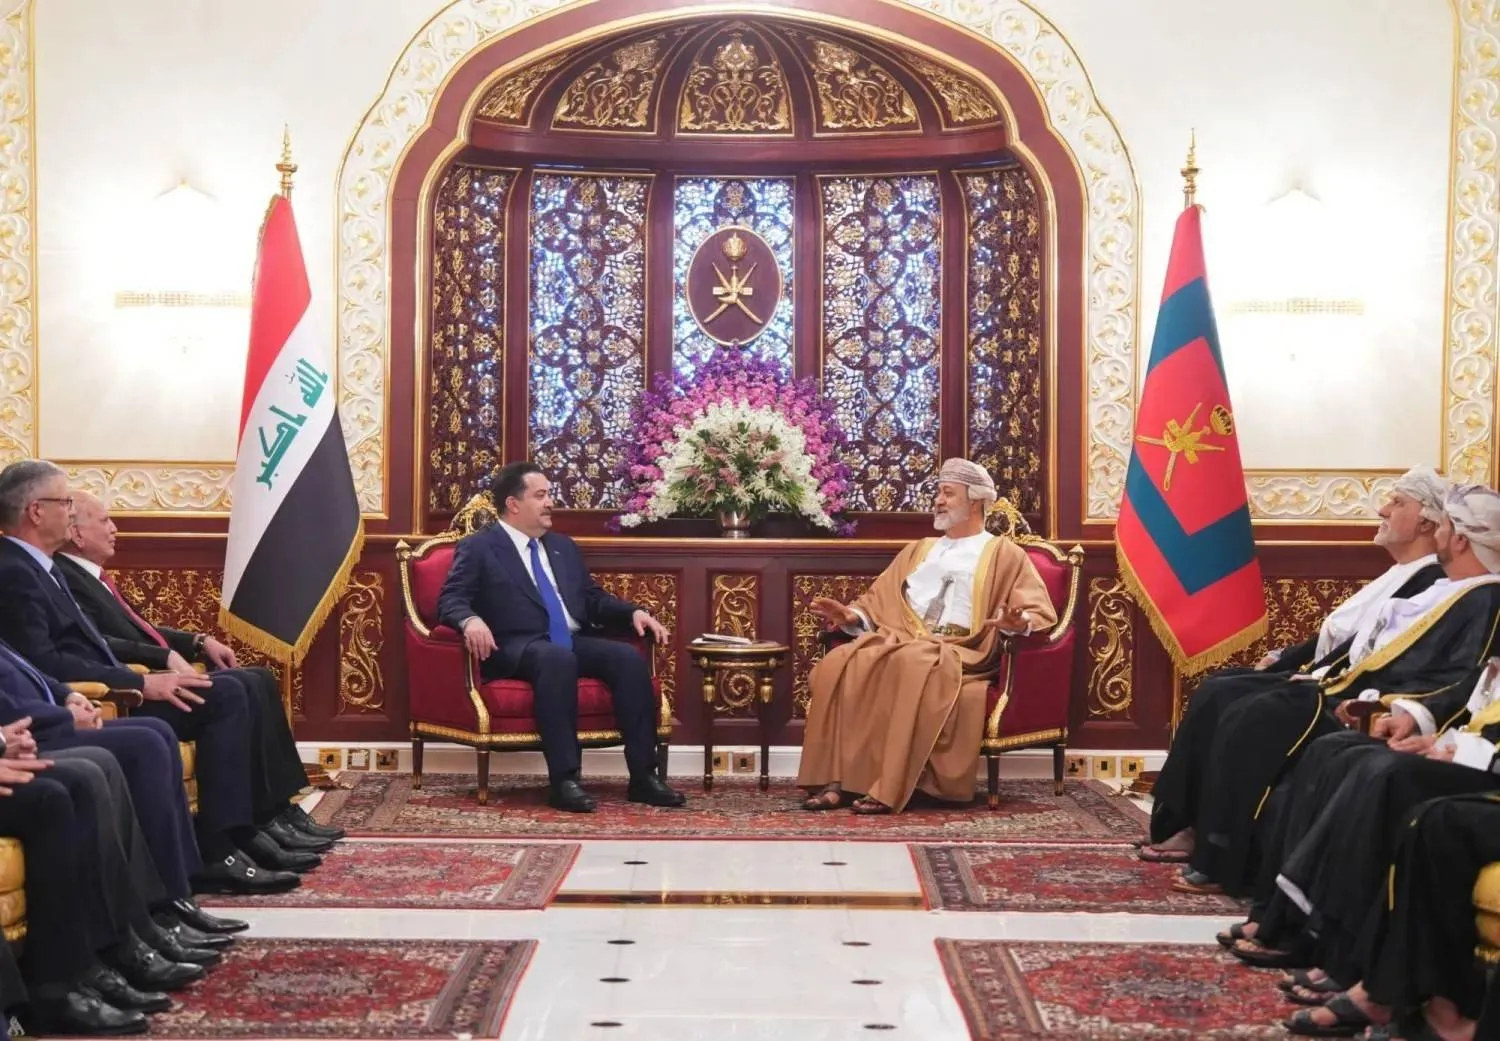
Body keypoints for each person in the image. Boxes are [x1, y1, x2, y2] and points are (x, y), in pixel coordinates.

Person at [1171, 482, 1500, 897]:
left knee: (1258, 714)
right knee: (1244, 703)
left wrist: (1394, 707)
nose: (1438, 533)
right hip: (1362, 690)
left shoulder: (1486, 598)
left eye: (1445, 524)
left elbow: (1458, 679)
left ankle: (1231, 862)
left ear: (1462, 538)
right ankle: (1214, 847)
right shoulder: (1445, 587)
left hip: (1381, 702)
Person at [0, 460, 300, 894]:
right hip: (94, 701)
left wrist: (168, 658)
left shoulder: (41, 566)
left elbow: (80, 644)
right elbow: (44, 659)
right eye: (65, 502)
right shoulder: (15, 571)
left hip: (99, 691)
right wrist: (138, 683)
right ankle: (219, 849)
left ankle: (253, 828)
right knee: (217, 701)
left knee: (240, 685)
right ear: (35, 511)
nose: (70, 510)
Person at [1143, 466, 1448, 863]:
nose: (1382, 510)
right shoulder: (1399, 573)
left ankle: (1212, 839)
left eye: (1397, 502)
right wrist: (1284, 660)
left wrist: (1315, 675)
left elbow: (1376, 651)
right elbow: (1340, 637)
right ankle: (1179, 821)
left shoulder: (1429, 581)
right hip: (1329, 673)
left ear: (1426, 521)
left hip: (1348, 688)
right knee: (1220, 686)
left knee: (1241, 703)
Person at [56, 489, 342, 854]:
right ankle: (233, 836)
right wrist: (161, 655)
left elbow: (139, 627)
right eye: (105, 521)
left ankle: (275, 811)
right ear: (78, 534)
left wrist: (197, 641)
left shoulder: (92, 577)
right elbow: (99, 641)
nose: (115, 528)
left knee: (258, 678)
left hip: (151, 675)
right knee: (234, 690)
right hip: (128, 693)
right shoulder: (66, 577)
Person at [796, 458, 1056, 815]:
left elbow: (1037, 614)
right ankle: (836, 782)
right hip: (904, 640)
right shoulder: (918, 549)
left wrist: (1016, 621)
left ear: (975, 501)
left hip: (961, 649)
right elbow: (879, 602)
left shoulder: (1004, 554)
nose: (938, 500)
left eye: (948, 494)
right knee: (841, 661)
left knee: (912, 659)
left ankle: (886, 787)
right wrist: (851, 616)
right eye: (938, 493)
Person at [437, 461, 685, 813]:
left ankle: (644, 777)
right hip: (517, 646)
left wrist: (632, 612)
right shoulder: (480, 547)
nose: (551, 501)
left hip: (568, 639)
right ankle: (565, 781)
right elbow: (451, 598)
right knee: (557, 659)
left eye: (549, 494)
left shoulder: (562, 547)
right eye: (541, 495)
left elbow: (591, 599)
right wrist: (470, 620)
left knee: (628, 659)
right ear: (513, 504)